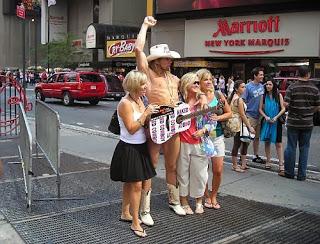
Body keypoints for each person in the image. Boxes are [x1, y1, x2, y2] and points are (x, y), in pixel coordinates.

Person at [135, 16, 207, 216]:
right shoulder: (147, 74)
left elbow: (193, 85)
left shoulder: (175, 79)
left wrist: (200, 95)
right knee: (152, 164)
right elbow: (138, 50)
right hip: (156, 122)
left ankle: (174, 200)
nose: (170, 61)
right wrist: (145, 26)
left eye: (170, 58)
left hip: (174, 123)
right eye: (166, 58)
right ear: (157, 60)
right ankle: (145, 208)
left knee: (172, 164)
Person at [110, 70, 158, 238]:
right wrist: (145, 114)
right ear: (135, 85)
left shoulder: (140, 100)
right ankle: (136, 222)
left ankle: (125, 212)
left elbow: (143, 124)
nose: (146, 87)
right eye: (143, 84)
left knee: (130, 183)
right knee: (136, 185)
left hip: (140, 147)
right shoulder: (125, 103)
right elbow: (130, 129)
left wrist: (151, 116)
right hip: (129, 148)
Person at [197, 68, 232, 209]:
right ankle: (206, 195)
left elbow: (229, 113)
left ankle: (214, 195)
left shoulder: (218, 95)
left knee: (217, 170)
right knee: (203, 170)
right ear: (199, 82)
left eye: (211, 79)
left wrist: (218, 117)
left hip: (217, 136)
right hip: (202, 137)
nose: (209, 82)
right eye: (205, 79)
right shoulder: (196, 96)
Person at [177, 72, 210, 215]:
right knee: (182, 174)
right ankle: (183, 201)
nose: (197, 85)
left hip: (199, 142)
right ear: (186, 84)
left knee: (200, 174)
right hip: (182, 143)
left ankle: (199, 201)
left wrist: (203, 130)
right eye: (194, 83)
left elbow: (212, 121)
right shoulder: (178, 103)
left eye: (198, 82)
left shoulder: (203, 102)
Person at [281, 66, 320, 181]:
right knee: (305, 148)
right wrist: (309, 111)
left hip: (293, 121)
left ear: (298, 74)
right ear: (308, 74)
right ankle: (302, 175)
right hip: (307, 122)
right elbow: (318, 107)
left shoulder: (292, 87)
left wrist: (293, 107)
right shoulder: (315, 89)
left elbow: (285, 104)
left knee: (291, 147)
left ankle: (289, 172)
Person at [259, 79, 286, 171]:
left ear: (274, 85)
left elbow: (283, 109)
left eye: (270, 84)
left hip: (276, 121)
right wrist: (266, 117)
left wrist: (276, 117)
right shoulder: (263, 96)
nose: (268, 86)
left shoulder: (278, 95)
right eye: (266, 84)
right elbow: (260, 109)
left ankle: (281, 163)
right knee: (267, 142)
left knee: (278, 143)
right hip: (267, 121)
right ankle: (268, 161)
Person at [229, 80, 255, 172]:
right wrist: (250, 127)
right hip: (239, 124)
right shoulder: (238, 99)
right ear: (236, 89)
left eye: (245, 87)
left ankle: (243, 164)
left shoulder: (235, 97)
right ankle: (235, 165)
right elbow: (242, 114)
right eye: (242, 87)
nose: (244, 88)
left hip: (238, 123)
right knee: (238, 143)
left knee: (244, 142)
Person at [243, 67, 265, 164]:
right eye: (260, 75)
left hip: (259, 116)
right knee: (247, 138)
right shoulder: (248, 87)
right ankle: (243, 157)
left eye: (262, 74)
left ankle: (256, 156)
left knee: (256, 137)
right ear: (255, 75)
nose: (262, 76)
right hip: (250, 115)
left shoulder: (262, 86)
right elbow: (243, 100)